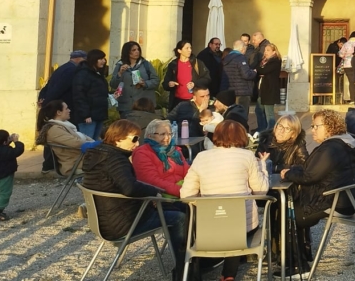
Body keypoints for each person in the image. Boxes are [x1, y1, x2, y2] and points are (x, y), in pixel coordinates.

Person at [82, 119, 188, 281]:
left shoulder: (99, 154)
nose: (137, 143)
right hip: (123, 222)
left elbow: (128, 185)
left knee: (176, 208)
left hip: (106, 218)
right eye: (134, 139)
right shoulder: (115, 159)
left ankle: (189, 261)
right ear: (118, 138)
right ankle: (184, 268)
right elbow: (130, 188)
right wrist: (154, 192)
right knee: (180, 217)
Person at [182, 119, 270, 281]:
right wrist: (262, 167)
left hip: (208, 228)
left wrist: (207, 205)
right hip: (240, 228)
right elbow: (261, 190)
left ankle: (219, 269)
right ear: (242, 136)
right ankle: (229, 275)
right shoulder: (247, 156)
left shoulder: (201, 157)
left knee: (226, 219)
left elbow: (186, 195)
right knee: (236, 220)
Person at [279, 109, 355, 271]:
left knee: (288, 213)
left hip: (335, 201)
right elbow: (313, 170)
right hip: (345, 198)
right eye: (312, 126)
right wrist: (294, 170)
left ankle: (297, 266)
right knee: (291, 207)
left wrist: (288, 173)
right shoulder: (341, 144)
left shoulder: (331, 149)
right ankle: (299, 256)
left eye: (316, 126)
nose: (312, 130)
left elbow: (310, 176)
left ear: (330, 127)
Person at [133, 120, 190, 198]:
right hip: (162, 198)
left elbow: (188, 172)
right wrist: (181, 191)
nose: (167, 138)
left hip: (184, 193)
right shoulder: (142, 153)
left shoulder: (175, 150)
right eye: (162, 134)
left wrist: (192, 188)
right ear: (150, 136)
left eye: (169, 134)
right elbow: (151, 181)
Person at [36, 100, 95, 174]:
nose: (69, 110)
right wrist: (94, 144)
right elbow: (76, 143)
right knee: (110, 161)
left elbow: (83, 137)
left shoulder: (64, 125)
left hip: (82, 158)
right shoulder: (54, 129)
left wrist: (96, 143)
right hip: (75, 163)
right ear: (59, 112)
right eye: (66, 108)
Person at [111, 41, 160, 120]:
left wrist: (145, 83)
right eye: (133, 50)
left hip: (143, 105)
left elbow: (156, 80)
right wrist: (120, 73)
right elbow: (113, 84)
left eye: (138, 49)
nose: (137, 52)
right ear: (127, 52)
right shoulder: (120, 65)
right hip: (126, 106)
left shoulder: (146, 64)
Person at [71, 49, 111, 140]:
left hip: (98, 114)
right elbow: (79, 95)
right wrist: (85, 114)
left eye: (104, 59)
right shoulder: (83, 73)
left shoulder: (98, 74)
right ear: (94, 59)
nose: (103, 61)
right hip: (88, 116)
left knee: (94, 141)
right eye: (100, 59)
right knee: (87, 141)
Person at [221, 39, 258, 129]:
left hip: (230, 91)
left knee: (232, 115)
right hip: (242, 92)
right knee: (242, 115)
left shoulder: (226, 59)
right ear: (242, 48)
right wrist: (254, 72)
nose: (245, 49)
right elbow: (246, 74)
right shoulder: (240, 58)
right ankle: (242, 134)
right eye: (245, 47)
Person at [162, 40, 211, 106]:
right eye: (187, 48)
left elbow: (207, 78)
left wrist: (195, 84)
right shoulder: (173, 64)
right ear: (179, 51)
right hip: (177, 101)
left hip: (194, 101)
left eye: (190, 48)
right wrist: (169, 84)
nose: (190, 50)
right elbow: (165, 84)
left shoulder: (197, 63)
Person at [254, 42, 283, 133]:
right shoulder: (264, 61)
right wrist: (259, 70)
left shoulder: (275, 61)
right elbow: (259, 68)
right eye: (265, 50)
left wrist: (258, 70)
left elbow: (264, 70)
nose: (265, 52)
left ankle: (271, 130)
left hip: (270, 90)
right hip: (262, 89)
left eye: (268, 50)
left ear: (274, 52)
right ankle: (262, 128)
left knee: (269, 112)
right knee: (258, 110)